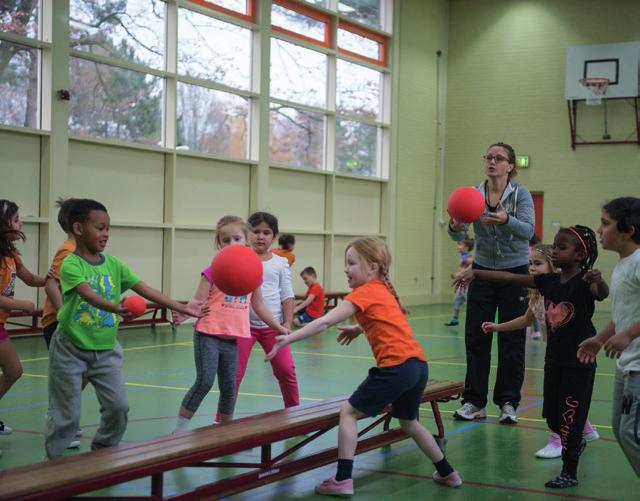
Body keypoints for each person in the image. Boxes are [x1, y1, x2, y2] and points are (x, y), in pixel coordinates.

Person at [266, 238, 462, 496]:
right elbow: (390, 317)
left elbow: (324, 322)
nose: (346, 269)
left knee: (348, 413)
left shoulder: (362, 293)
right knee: (409, 422)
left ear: (372, 267)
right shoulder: (384, 289)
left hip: (395, 367)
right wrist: (360, 328)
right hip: (417, 366)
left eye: (351, 263)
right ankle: (448, 472)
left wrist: (288, 338)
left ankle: (343, 479)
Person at [45, 199, 206, 459]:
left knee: (118, 407)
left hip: (106, 350)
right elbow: (86, 294)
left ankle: (104, 451)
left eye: (108, 228)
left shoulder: (114, 265)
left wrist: (184, 307)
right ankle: (50, 466)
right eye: (100, 228)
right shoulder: (71, 264)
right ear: (78, 228)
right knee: (66, 416)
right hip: (70, 348)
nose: (106, 233)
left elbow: (146, 290)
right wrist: (113, 308)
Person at [455, 225, 608, 488]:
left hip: (579, 361)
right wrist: (476, 272)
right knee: (552, 415)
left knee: (570, 417)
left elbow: (601, 294)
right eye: (556, 246)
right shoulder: (547, 282)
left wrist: (598, 279)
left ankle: (569, 470)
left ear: (579, 256)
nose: (556, 251)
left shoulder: (585, 281)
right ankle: (575, 441)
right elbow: (508, 278)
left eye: (562, 247)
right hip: (554, 360)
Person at [480, 244, 599, 459]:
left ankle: (557, 441)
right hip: (555, 354)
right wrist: (498, 327)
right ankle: (586, 430)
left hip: (574, 352)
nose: (532, 268)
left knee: (559, 399)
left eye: (538, 263)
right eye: (530, 264)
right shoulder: (537, 293)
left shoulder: (564, 288)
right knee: (565, 396)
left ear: (553, 266)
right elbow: (526, 320)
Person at [172, 216, 288, 432]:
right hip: (208, 334)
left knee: (229, 387)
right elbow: (197, 302)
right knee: (204, 382)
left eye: (236, 238)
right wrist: (184, 314)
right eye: (226, 240)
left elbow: (260, 305)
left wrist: (278, 326)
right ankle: (179, 430)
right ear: (219, 244)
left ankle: (226, 432)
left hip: (232, 338)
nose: (231, 244)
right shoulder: (214, 270)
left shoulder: (252, 272)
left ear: (246, 241)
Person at [448, 142, 535, 424]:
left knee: (512, 339)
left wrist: (506, 219)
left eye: (499, 158)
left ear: (510, 166)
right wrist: (455, 225)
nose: (492, 162)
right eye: (488, 157)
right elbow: (457, 233)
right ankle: (474, 401)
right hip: (483, 272)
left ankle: (508, 402)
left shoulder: (520, 194)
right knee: (477, 337)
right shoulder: (473, 194)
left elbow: (528, 231)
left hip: (515, 272)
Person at [577, 197, 640, 477]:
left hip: (638, 366)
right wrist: (599, 339)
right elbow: (622, 315)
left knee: (630, 433)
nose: (600, 230)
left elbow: (627, 325)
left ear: (628, 230)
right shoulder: (622, 264)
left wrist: (627, 335)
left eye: (605, 223)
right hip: (626, 364)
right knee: (620, 428)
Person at [235, 212, 299, 409]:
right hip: (243, 327)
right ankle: (222, 420)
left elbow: (287, 295)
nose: (260, 236)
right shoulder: (239, 259)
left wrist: (287, 324)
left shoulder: (280, 263)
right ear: (247, 234)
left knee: (286, 370)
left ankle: (295, 412)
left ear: (274, 236)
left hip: (274, 327)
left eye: (266, 232)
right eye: (255, 232)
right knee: (234, 374)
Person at [0, 200, 47, 456]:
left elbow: (30, 278)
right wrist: (22, 305)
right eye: (16, 219)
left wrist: (54, 277)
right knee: (14, 370)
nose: (21, 224)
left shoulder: (11, 254)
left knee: (14, 371)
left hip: (0, 323)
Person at [444, 238, 473, 326]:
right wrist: (458, 274)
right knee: (456, 301)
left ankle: (474, 319)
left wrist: (459, 274)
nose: (458, 246)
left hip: (466, 285)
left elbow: (472, 264)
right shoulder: (463, 256)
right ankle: (455, 319)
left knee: (471, 302)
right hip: (461, 284)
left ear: (467, 247)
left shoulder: (467, 257)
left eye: (460, 244)